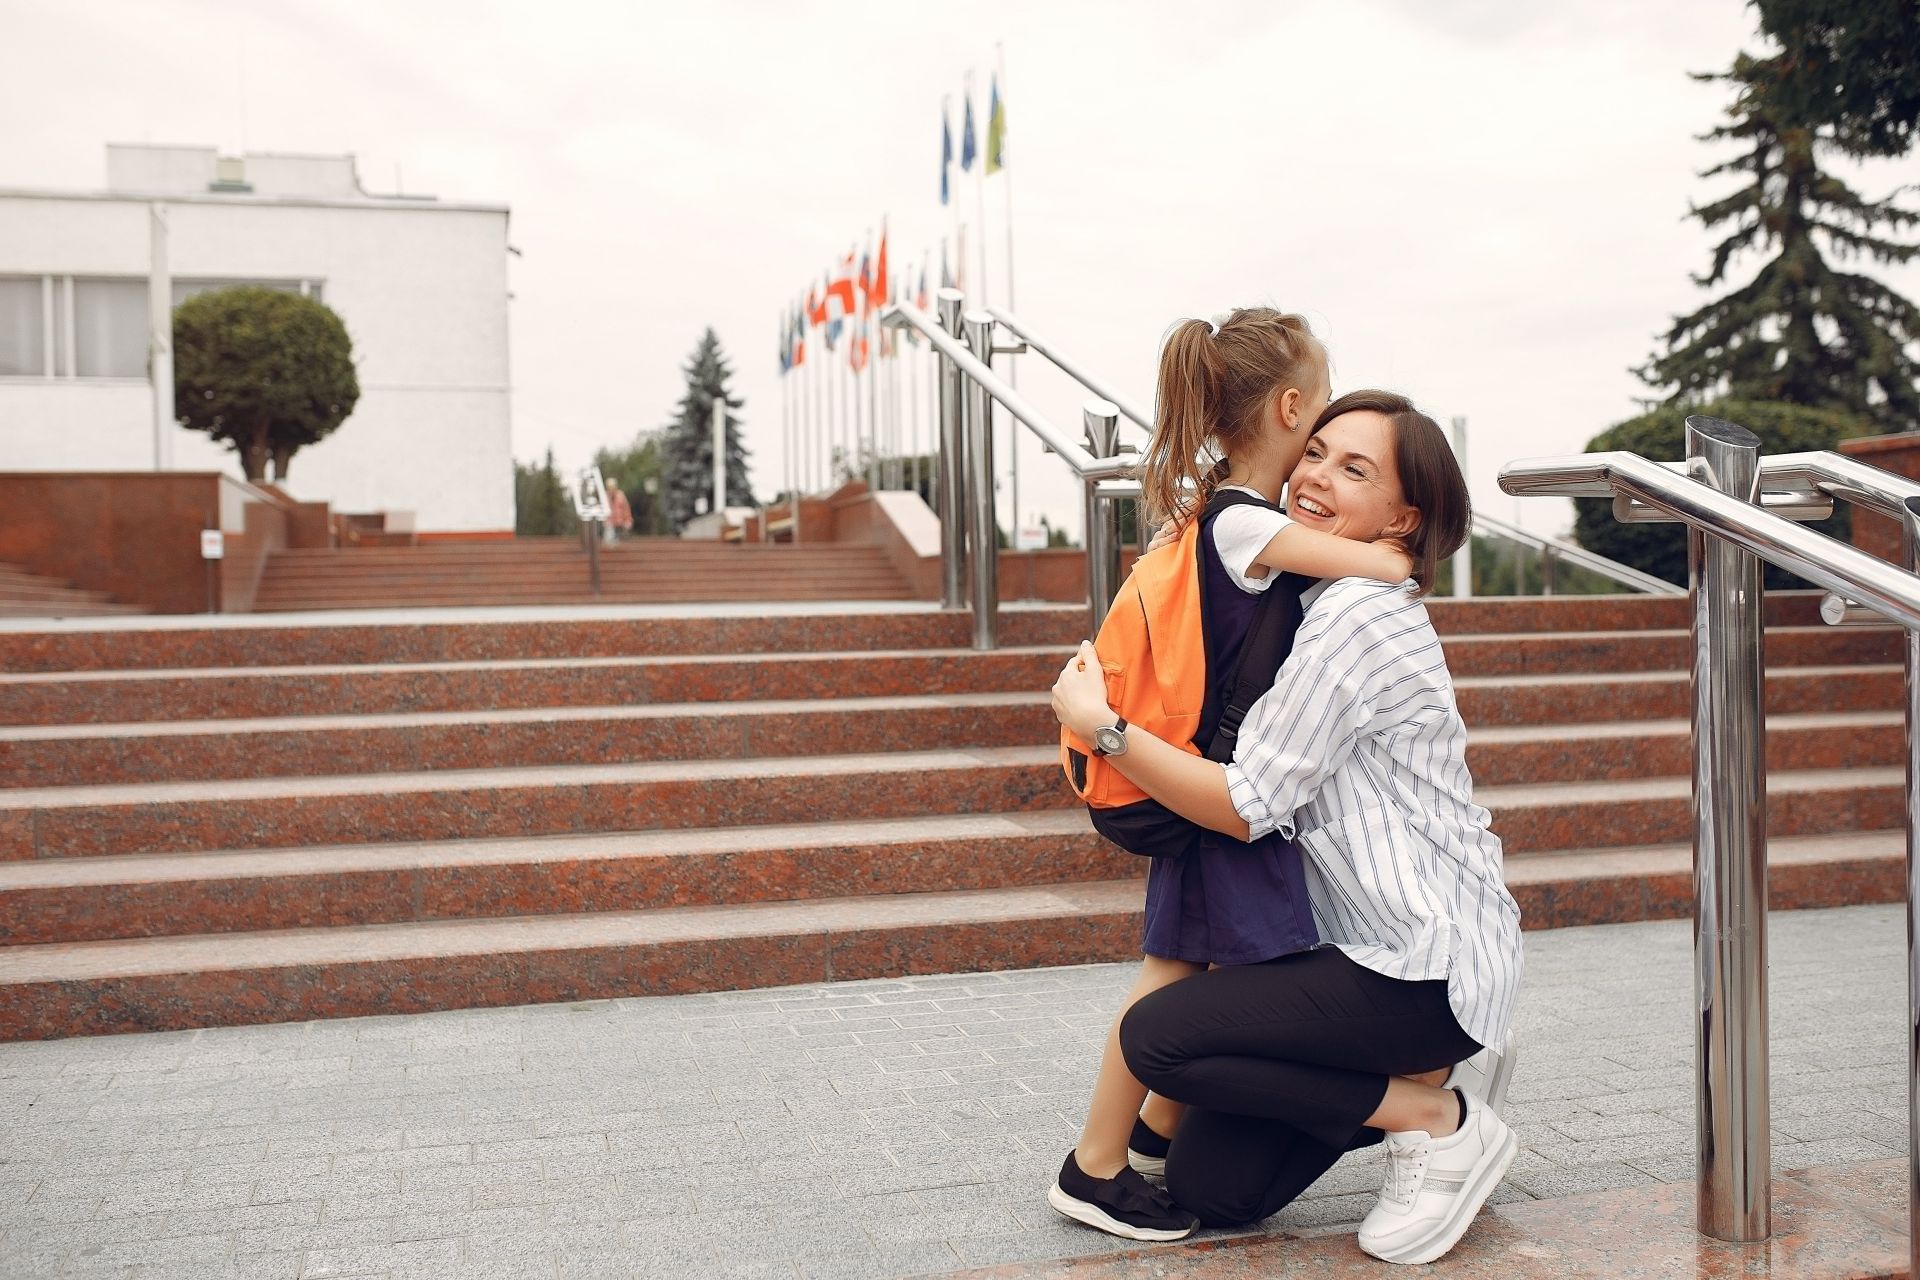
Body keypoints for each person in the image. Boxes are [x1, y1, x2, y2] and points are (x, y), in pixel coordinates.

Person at [1050, 390, 1524, 1267]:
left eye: (1355, 470)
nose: (1315, 477)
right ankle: (1419, 1078)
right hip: (1357, 956)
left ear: (1401, 515)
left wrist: (1106, 727)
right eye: (1316, 453)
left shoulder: (1356, 617)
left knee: (1158, 1038)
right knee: (1215, 1191)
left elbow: (1242, 802)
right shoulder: (1315, 593)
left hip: (1425, 962)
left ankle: (1439, 1118)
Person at [605, 477, 634, 544]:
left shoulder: (621, 495)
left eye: (612, 486)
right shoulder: (605, 496)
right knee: (609, 541)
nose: (611, 489)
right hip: (609, 524)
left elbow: (626, 509)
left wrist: (628, 521)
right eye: (609, 487)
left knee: (621, 542)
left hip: (620, 523)